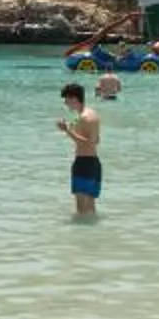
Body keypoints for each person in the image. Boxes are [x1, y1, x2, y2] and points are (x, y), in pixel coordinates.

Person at [58, 82, 103, 217]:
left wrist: (67, 130)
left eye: (66, 100)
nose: (65, 103)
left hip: (84, 163)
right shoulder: (92, 114)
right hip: (94, 163)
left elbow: (88, 143)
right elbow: (97, 140)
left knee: (81, 211)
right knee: (90, 209)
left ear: (74, 99)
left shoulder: (84, 118)